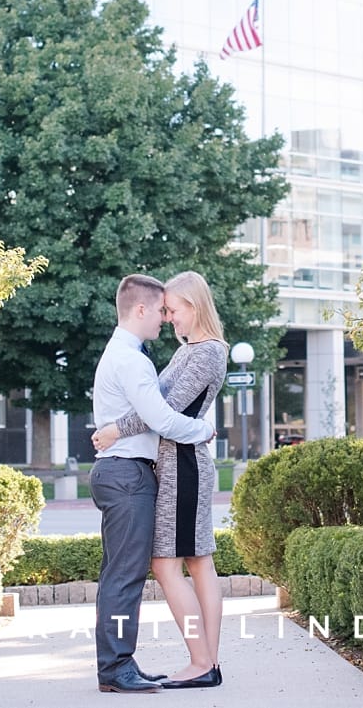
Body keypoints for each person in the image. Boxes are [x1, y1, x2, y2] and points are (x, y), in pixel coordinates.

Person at [92, 270, 229, 690]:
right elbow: (159, 407)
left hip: (183, 464)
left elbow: (162, 410)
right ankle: (206, 661)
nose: (168, 318)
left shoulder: (205, 352)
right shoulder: (188, 350)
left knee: (173, 563)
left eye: (173, 309)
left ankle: (203, 662)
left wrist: (116, 428)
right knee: (194, 562)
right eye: (164, 310)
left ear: (194, 305)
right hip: (175, 463)